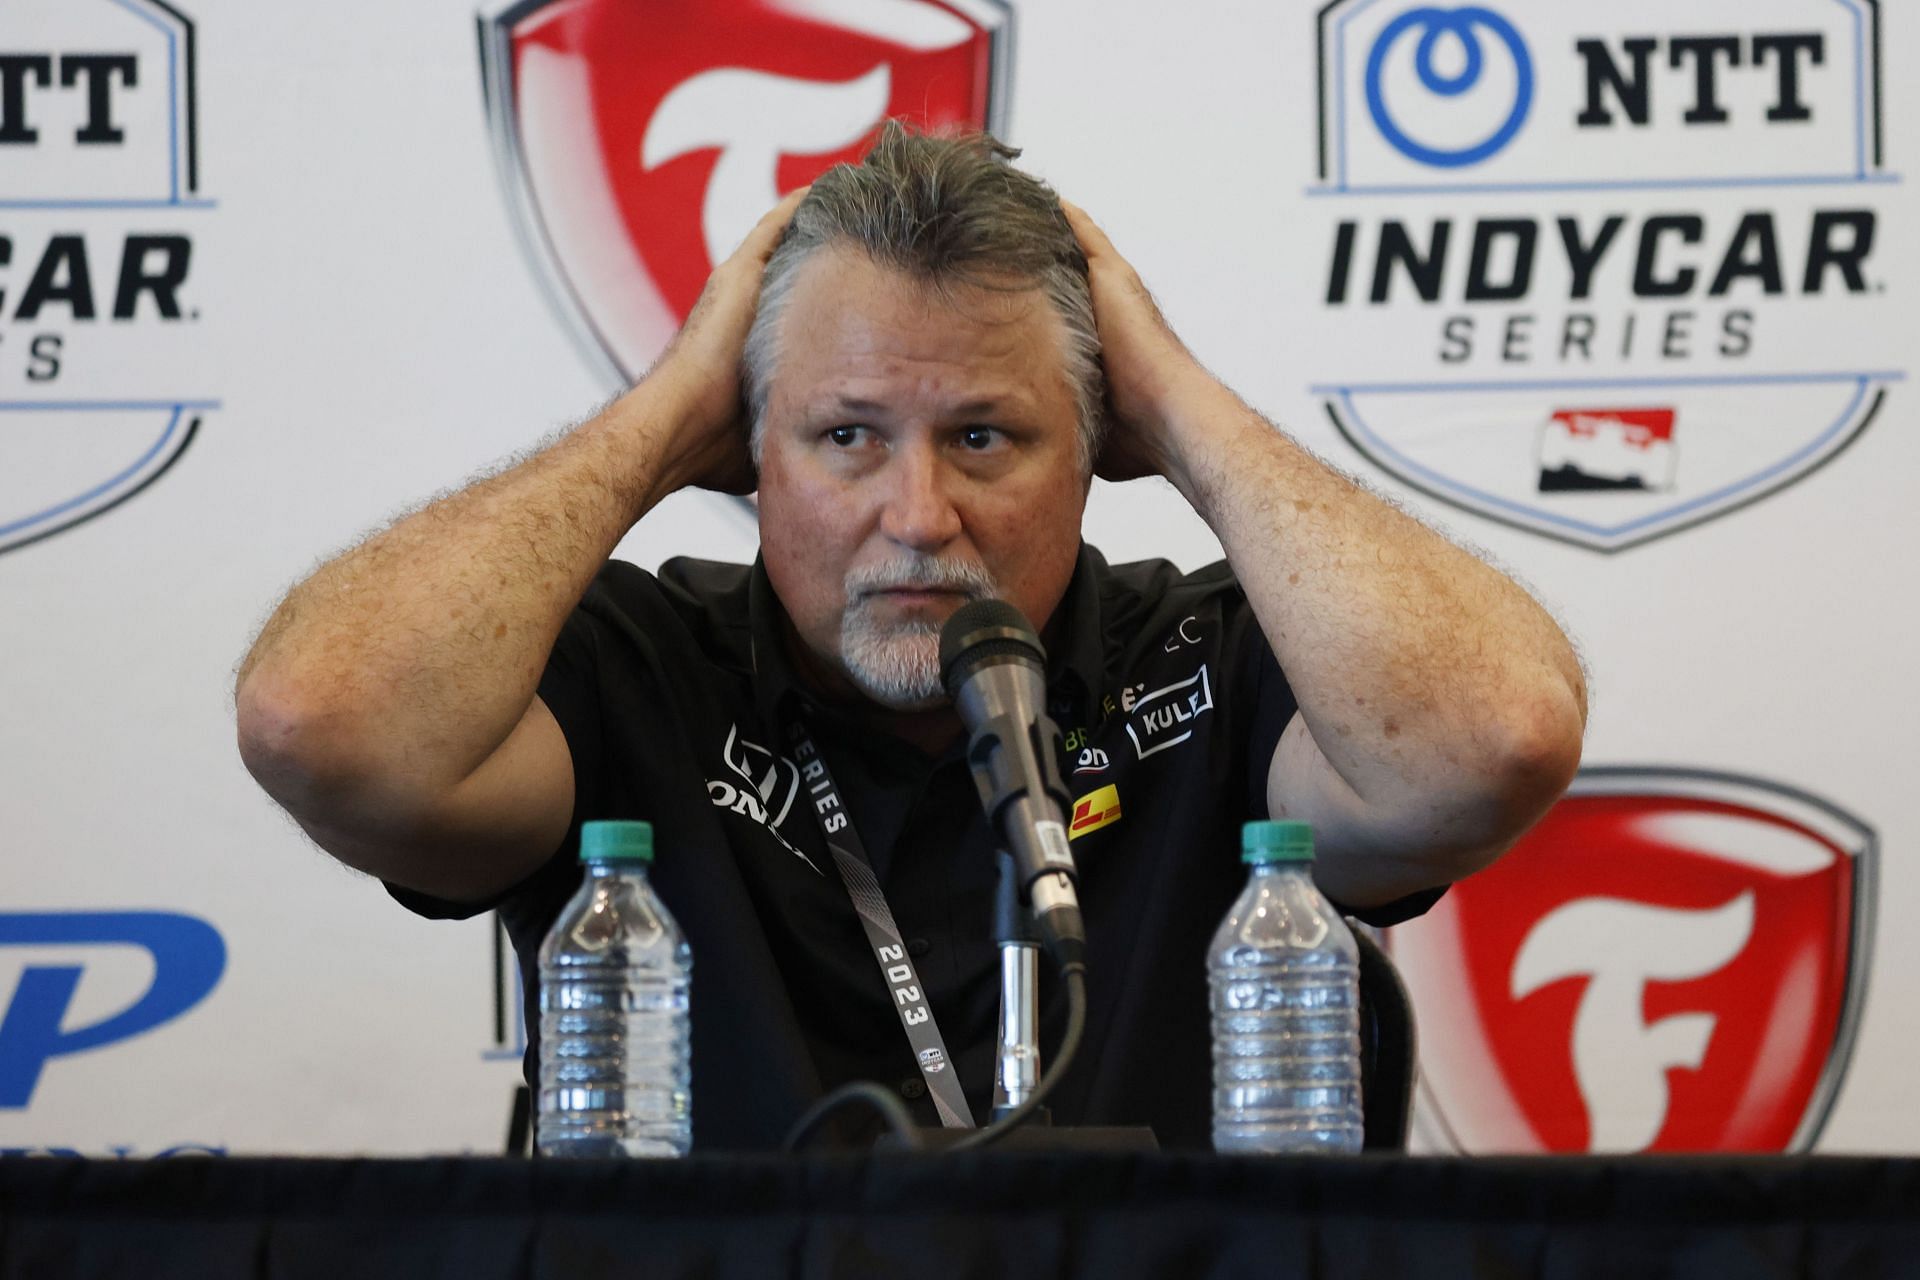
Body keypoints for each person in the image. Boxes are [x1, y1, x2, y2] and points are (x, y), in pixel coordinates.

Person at [235, 123, 1587, 1150]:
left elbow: (1488, 742)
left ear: (1097, 451)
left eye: (986, 436)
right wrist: (654, 422)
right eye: (844, 437)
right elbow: (325, 724)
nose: (919, 514)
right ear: (744, 449)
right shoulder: (630, 670)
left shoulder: (1206, 666)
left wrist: (1176, 399)